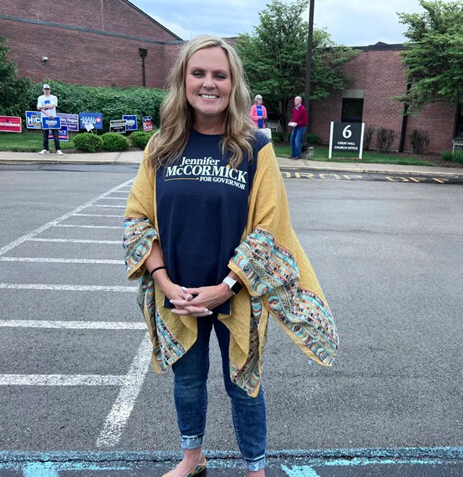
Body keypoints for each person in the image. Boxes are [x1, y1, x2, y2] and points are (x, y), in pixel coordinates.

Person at [123, 35, 339, 477]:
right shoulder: (161, 146)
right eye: (198, 73)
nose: (208, 83)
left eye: (219, 75)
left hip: (237, 293)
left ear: (233, 83)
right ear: (182, 80)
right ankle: (192, 458)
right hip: (179, 291)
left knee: (244, 385)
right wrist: (164, 283)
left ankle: (255, 469)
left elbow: (270, 227)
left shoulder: (254, 146)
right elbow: (138, 221)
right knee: (187, 381)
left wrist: (226, 287)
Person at [37, 84, 63, 155]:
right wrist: (48, 113)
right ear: (43, 90)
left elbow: (53, 106)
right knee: (45, 135)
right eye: (45, 89)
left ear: (50, 90)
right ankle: (45, 149)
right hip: (44, 118)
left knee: (56, 135)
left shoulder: (54, 97)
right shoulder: (40, 98)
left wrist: (43, 106)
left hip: (53, 118)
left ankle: (58, 149)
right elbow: (38, 108)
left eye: (48, 89)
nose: (46, 91)